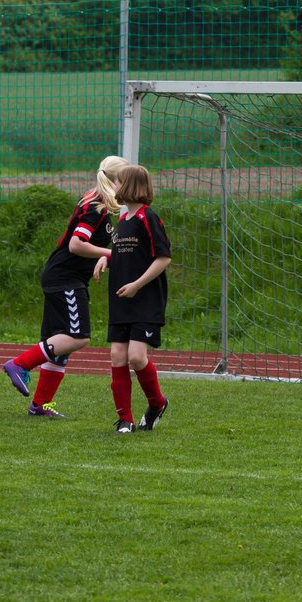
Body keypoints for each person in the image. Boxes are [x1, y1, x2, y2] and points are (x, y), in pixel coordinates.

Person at [1, 155, 129, 418]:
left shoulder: (98, 201)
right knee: (77, 336)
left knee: (61, 344)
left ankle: (39, 406)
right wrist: (107, 255)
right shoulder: (95, 207)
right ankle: (19, 364)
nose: (128, 187)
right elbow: (76, 244)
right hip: (64, 278)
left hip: (65, 277)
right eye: (125, 181)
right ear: (114, 181)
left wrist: (105, 257)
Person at [104, 164, 172, 434]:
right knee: (117, 355)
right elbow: (124, 256)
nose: (115, 187)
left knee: (136, 356)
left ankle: (157, 404)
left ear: (131, 186)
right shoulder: (123, 221)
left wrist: (136, 285)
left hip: (145, 299)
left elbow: (163, 258)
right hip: (121, 300)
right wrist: (104, 260)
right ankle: (125, 419)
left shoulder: (148, 218)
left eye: (118, 182)